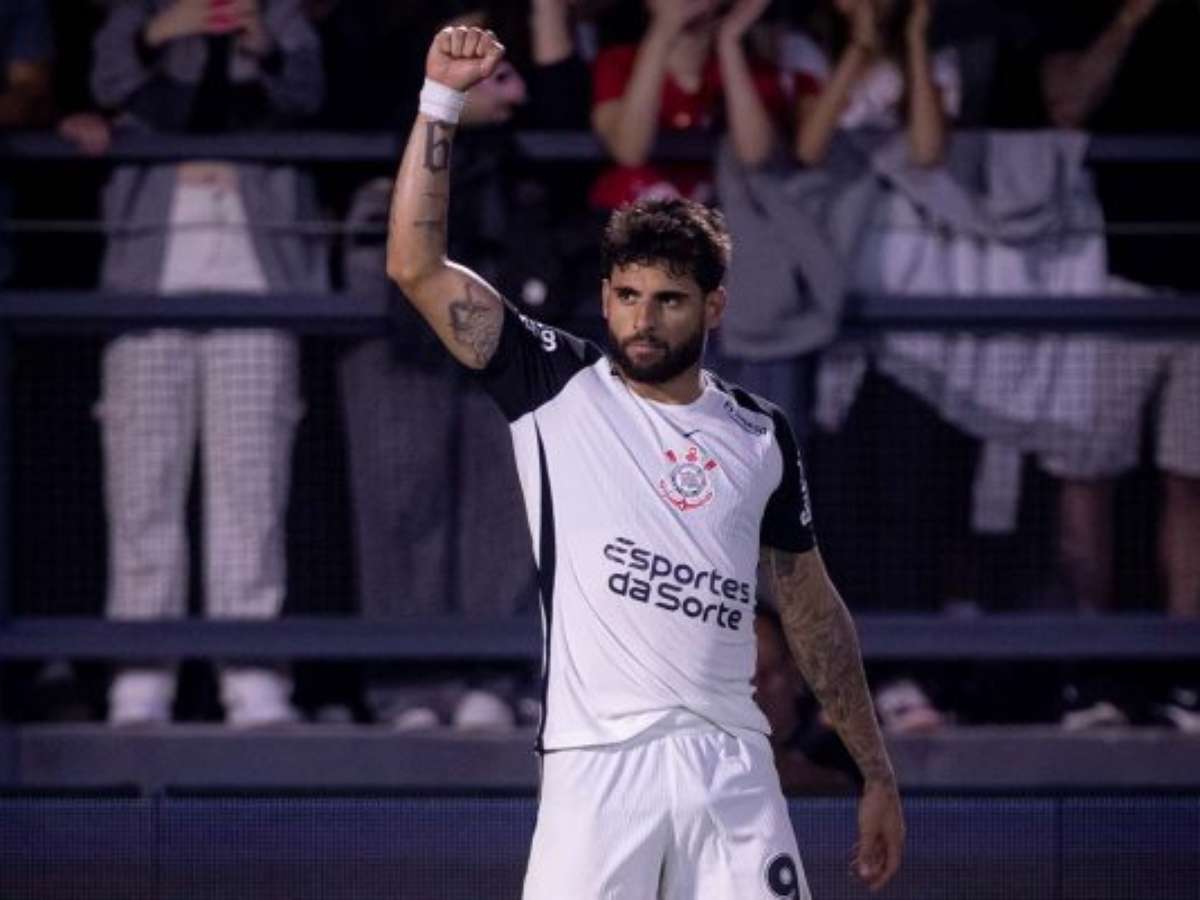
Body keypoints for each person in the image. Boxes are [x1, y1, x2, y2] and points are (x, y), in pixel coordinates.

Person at [387, 26, 905, 897]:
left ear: (714, 307)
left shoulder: (760, 433)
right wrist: (440, 100)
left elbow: (813, 610)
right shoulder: (554, 385)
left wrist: (876, 772)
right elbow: (415, 266)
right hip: (597, 768)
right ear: (604, 297)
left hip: (732, 762)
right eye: (628, 295)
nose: (644, 318)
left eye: (670, 299)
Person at [90, 0, 327, 726]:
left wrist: (262, 43)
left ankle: (252, 677)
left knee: (251, 487)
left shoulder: (278, 15)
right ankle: (141, 678)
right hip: (148, 279)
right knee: (143, 484)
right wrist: (163, 30)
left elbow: (310, 93)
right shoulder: (140, 11)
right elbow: (105, 80)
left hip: (259, 277)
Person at [1035, 0, 1200, 730]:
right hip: (1109, 277)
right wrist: (1131, 19)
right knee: (1087, 477)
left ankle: (1183, 672)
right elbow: (1067, 104)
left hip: (1195, 294)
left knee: (1190, 483)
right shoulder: (1095, 12)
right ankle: (1090, 667)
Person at [589, 0, 787, 209]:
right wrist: (662, 31)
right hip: (629, 215)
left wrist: (729, 41)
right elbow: (629, 151)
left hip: (716, 216)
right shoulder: (617, 62)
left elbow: (755, 155)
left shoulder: (754, 72)